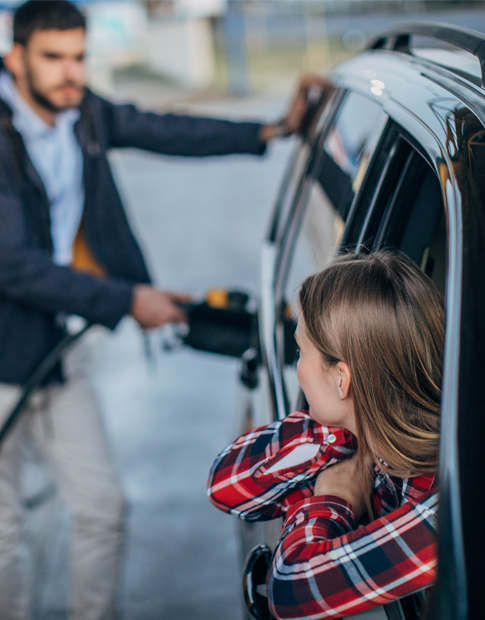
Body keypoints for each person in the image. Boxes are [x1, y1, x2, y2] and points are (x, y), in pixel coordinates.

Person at [0, 1, 330, 619]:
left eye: (78, 56)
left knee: (102, 510)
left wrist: (271, 129)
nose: (71, 72)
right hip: (4, 359)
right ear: (16, 58)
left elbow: (167, 129)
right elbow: (12, 264)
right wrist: (129, 300)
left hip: (56, 349)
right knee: (4, 536)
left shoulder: (82, 112)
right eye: (53, 58)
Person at [208, 251, 443, 619]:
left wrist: (333, 497)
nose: (297, 367)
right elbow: (224, 485)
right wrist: (331, 438)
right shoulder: (364, 436)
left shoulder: (441, 510)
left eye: (301, 351)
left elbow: (289, 593)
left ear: (342, 379)